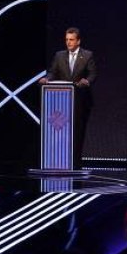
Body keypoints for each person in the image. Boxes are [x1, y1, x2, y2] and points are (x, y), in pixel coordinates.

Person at [39, 28, 98, 166]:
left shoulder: (88, 55)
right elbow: (52, 72)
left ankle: (75, 163)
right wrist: (47, 79)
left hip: (81, 101)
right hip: (61, 102)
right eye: (66, 40)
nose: (68, 43)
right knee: (61, 130)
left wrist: (86, 81)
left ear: (78, 41)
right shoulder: (59, 55)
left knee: (78, 132)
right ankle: (58, 161)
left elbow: (93, 74)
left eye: (71, 40)